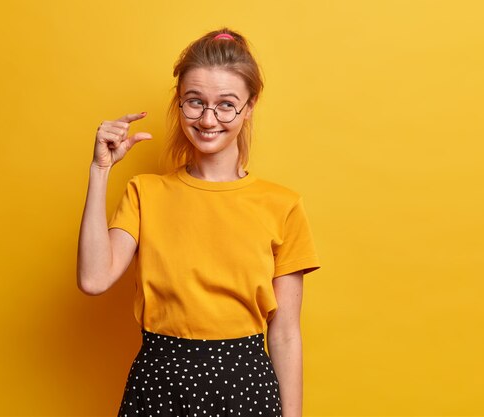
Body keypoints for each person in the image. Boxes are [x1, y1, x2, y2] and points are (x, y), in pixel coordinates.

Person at [77, 28, 320, 417]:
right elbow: (93, 279)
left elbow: (287, 334)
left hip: (246, 389)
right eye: (195, 102)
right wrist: (99, 170)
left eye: (226, 105)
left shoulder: (282, 206)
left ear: (251, 104)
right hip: (159, 386)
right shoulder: (145, 193)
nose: (208, 119)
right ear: (179, 102)